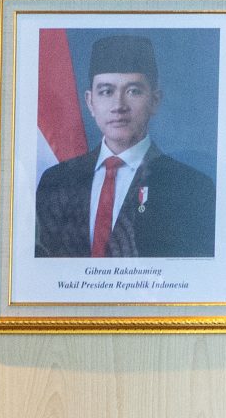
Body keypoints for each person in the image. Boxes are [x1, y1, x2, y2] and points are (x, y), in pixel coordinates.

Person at [33, 34, 215, 259]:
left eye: (133, 91)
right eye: (106, 91)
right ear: (90, 102)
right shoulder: (55, 182)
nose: (118, 105)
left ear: (155, 100)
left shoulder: (191, 188)